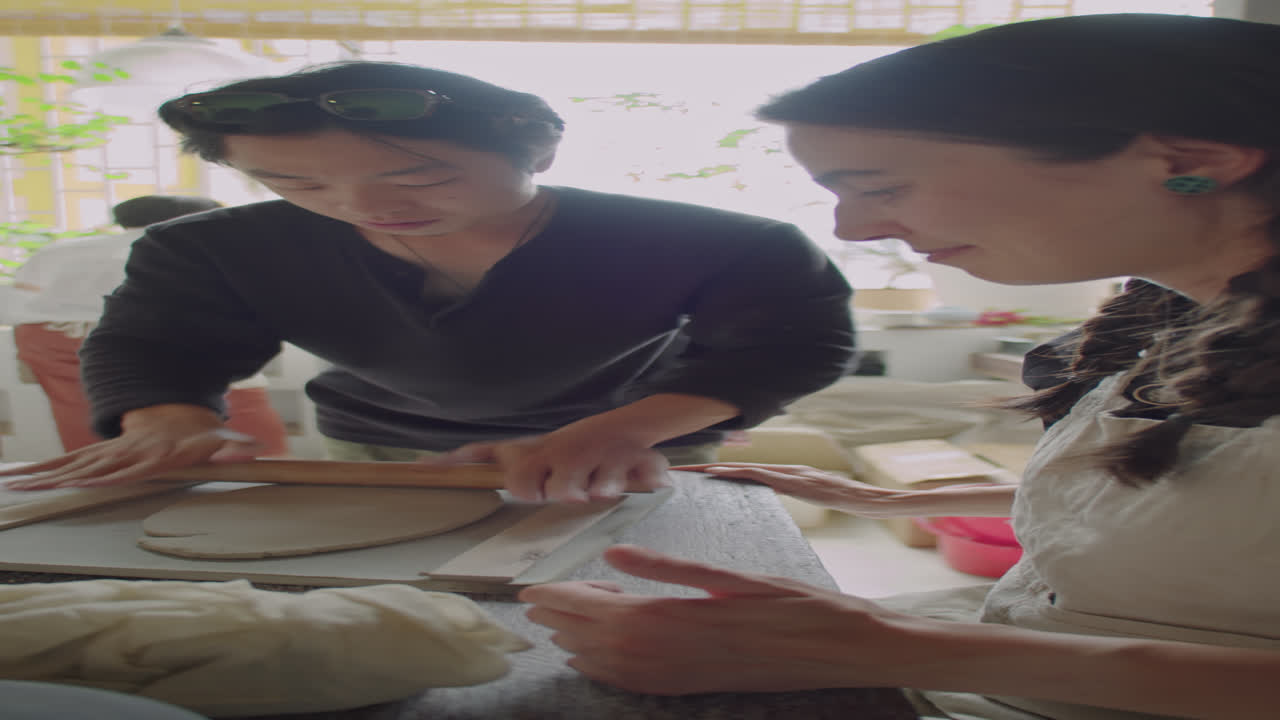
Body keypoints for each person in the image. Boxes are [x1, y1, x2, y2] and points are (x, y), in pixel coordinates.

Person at [517, 13, 1280, 719]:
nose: (856, 228)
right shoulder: (1185, 328)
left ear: (1191, 162)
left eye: (883, 187)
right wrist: (885, 504)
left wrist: (887, 647)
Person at [2, 61, 856, 500]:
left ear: (538, 152)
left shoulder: (716, 241)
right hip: (379, 445)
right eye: (297, 185)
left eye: (420, 177)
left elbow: (793, 341)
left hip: (629, 443)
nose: (364, 207)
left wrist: (626, 430)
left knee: (628, 590)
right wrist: (167, 418)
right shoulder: (211, 249)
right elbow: (159, 341)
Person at [8, 195, 291, 457]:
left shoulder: (62, 249)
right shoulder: (198, 244)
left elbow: (20, 298)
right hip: (159, 327)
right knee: (231, 397)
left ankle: (105, 473)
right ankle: (263, 465)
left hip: (50, 333)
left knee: (87, 408)